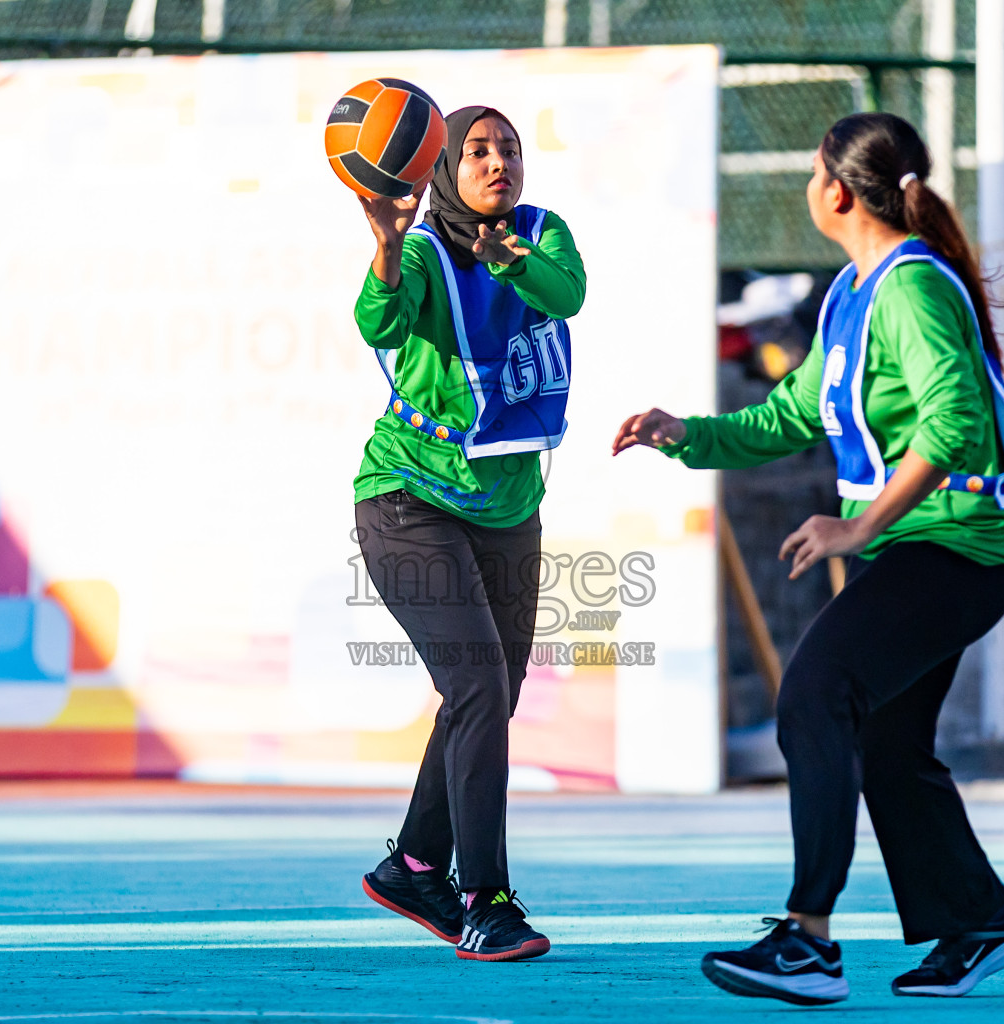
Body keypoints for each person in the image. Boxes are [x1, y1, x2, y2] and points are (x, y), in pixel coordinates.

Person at [613, 112, 1004, 1005]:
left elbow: (955, 423)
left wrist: (856, 525)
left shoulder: (912, 288)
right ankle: (981, 917)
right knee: (886, 743)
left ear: (837, 190)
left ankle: (809, 938)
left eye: (813, 171)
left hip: (959, 548)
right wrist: (683, 433)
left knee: (814, 693)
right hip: (919, 548)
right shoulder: (855, 290)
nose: (809, 186)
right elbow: (790, 416)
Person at [350, 104, 586, 962]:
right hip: (409, 498)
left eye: (511, 148)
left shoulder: (541, 235)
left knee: (490, 694)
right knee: (481, 686)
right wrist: (384, 241)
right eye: (478, 150)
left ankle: (415, 866)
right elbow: (377, 322)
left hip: (508, 505)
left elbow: (569, 296)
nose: (498, 162)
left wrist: (513, 260)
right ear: (443, 167)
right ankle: (486, 900)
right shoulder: (419, 251)